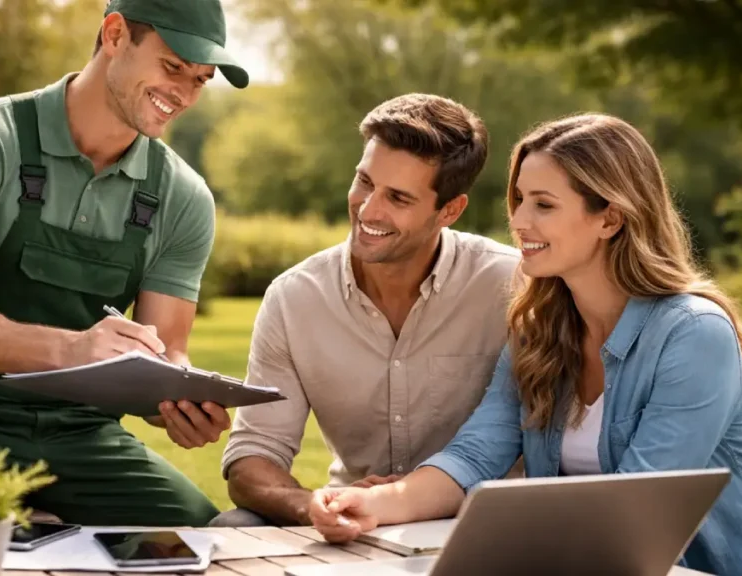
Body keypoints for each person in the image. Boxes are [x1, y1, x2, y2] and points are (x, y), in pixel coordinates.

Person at [306, 114, 742, 576]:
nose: (520, 221)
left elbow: (634, 518)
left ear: (609, 219)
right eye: (520, 199)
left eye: (544, 205)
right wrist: (374, 503)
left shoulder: (694, 335)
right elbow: (477, 453)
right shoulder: (538, 327)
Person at [0, 0, 249, 527]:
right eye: (172, 67)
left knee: (198, 540)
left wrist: (178, 399)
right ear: (115, 34)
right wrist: (73, 349)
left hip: (81, 435)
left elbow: (167, 348)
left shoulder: (182, 197)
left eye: (201, 80)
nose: (183, 94)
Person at [211, 93, 521, 527]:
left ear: (449, 210)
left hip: (475, 524)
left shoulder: (511, 287)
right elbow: (253, 456)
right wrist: (313, 505)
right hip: (355, 521)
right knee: (233, 527)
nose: (368, 209)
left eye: (398, 198)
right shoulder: (295, 298)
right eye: (364, 182)